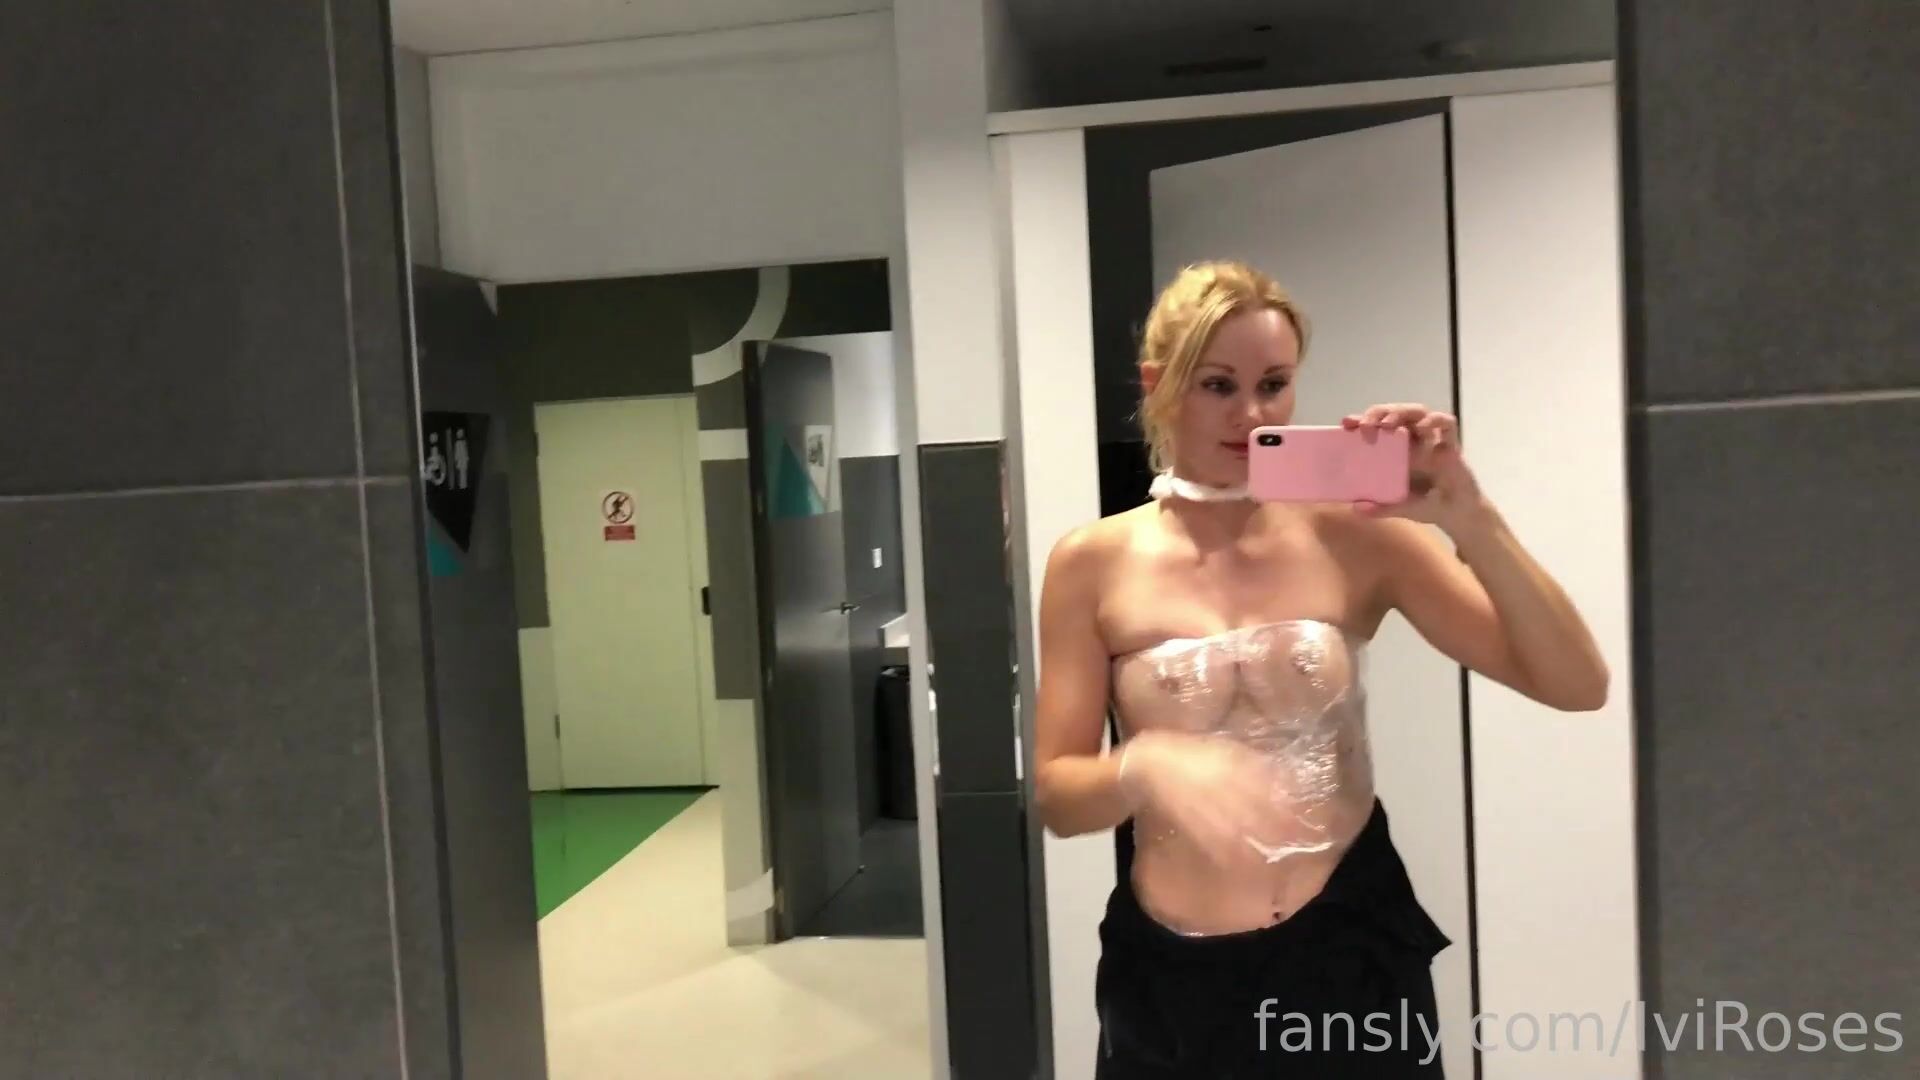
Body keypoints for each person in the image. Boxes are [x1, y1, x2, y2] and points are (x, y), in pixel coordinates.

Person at [1032, 261, 1609, 1078]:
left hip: (1349, 956)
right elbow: (1057, 797)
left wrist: (1469, 518)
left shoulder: (1356, 534)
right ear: (1161, 387)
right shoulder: (1091, 563)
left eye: (1273, 384)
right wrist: (1143, 765)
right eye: (1219, 385)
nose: (1252, 414)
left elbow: (1578, 685)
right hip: (1171, 982)